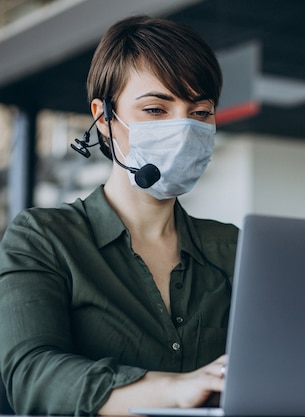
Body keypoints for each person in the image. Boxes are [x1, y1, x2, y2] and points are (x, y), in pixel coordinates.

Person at [0, 15, 238, 416]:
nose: (182, 130)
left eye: (199, 113)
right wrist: (174, 390)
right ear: (105, 117)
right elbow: (31, 375)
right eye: (156, 109)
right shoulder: (43, 238)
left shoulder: (234, 248)